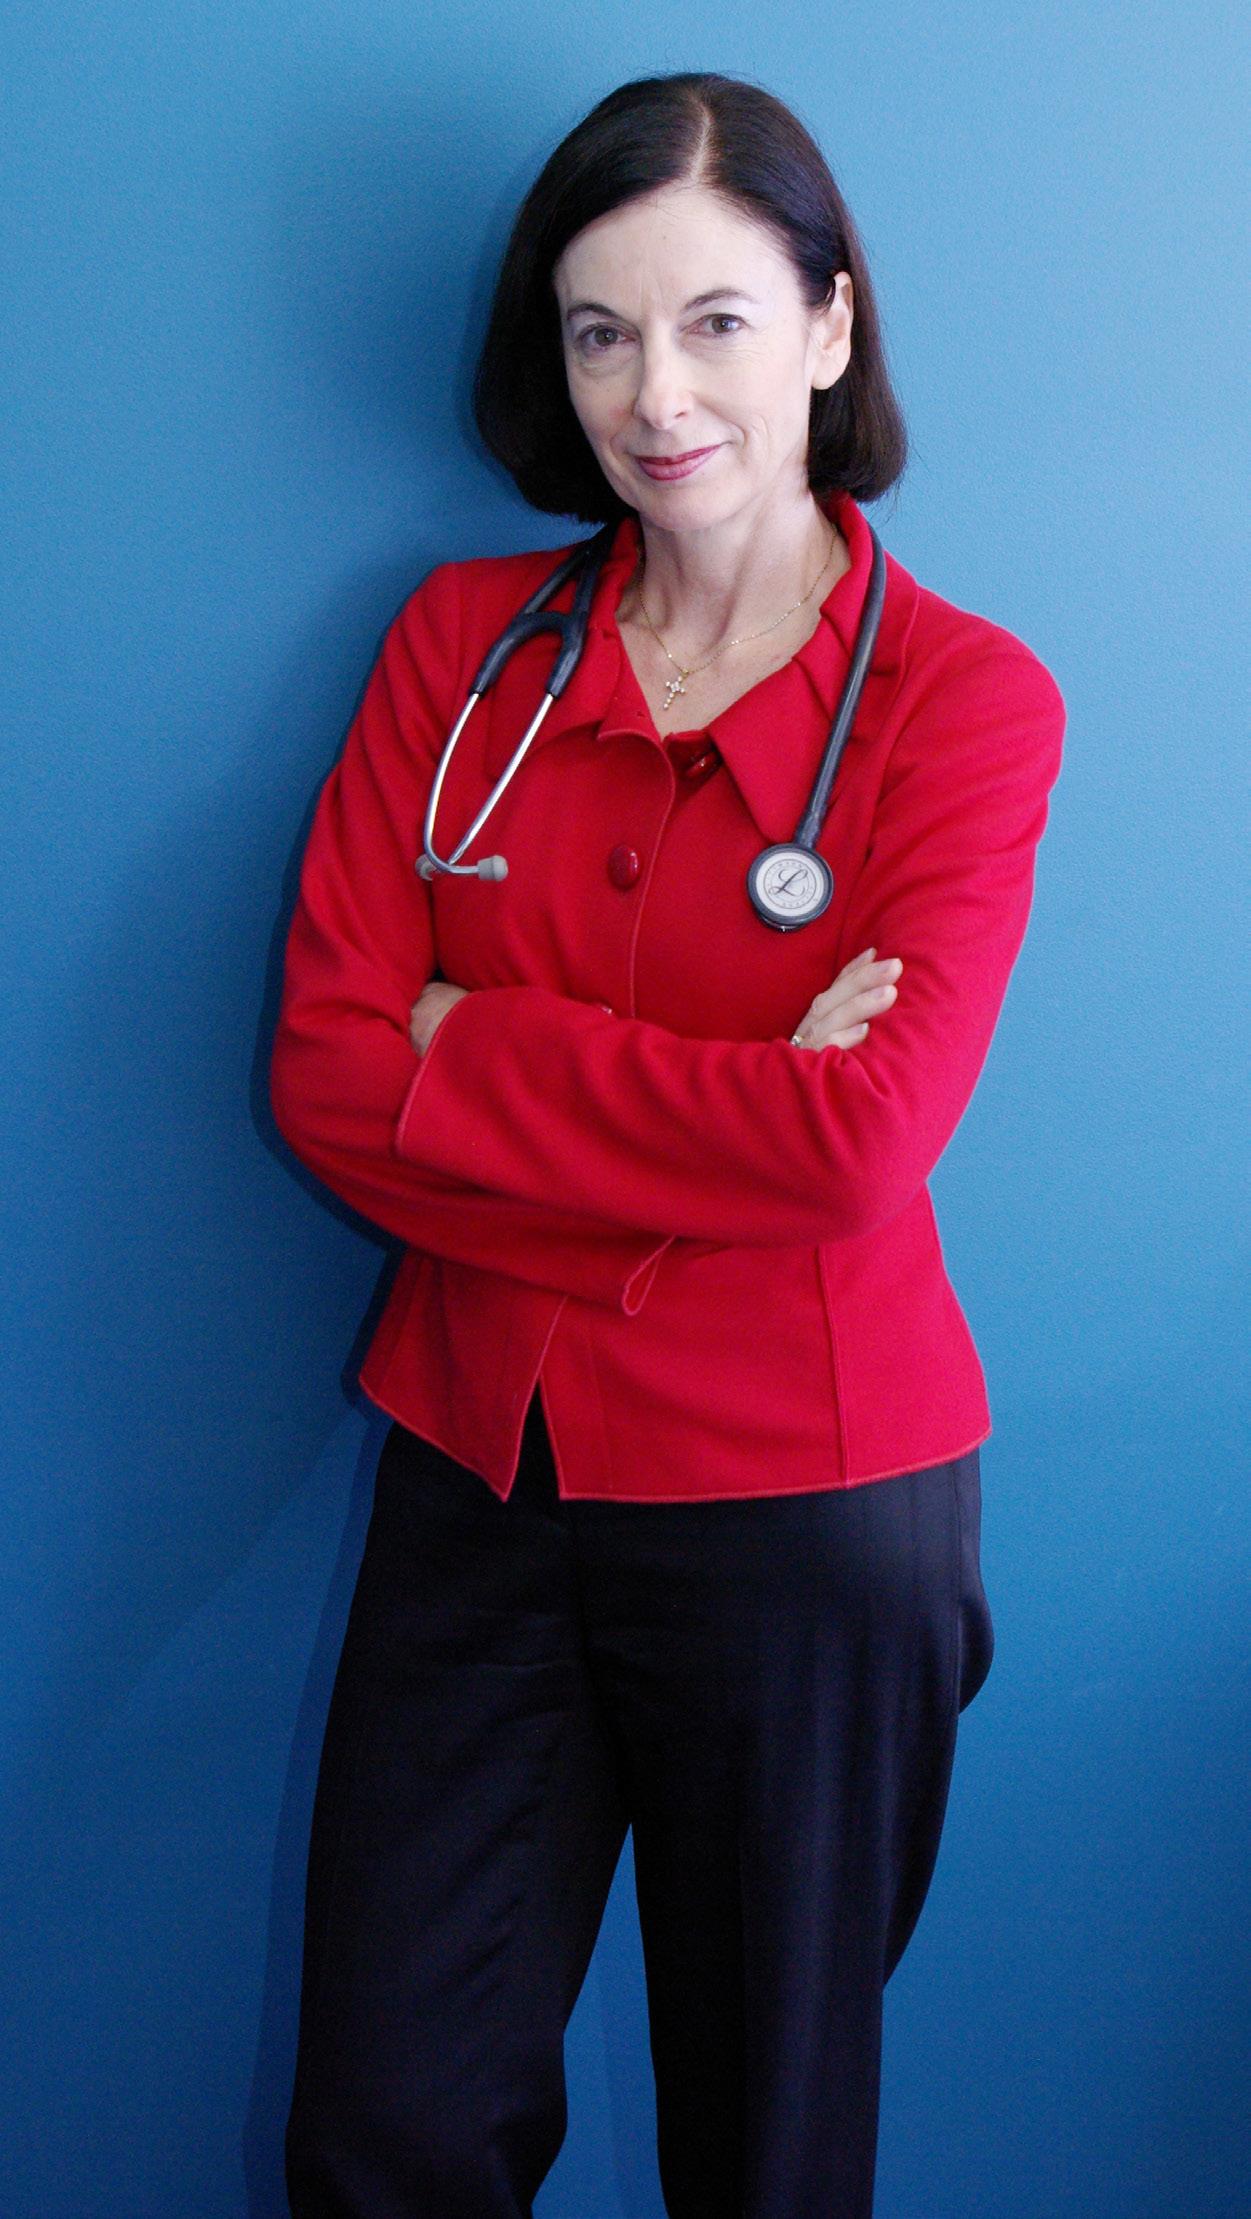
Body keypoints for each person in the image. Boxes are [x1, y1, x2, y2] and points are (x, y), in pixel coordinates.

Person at [271, 69, 1066, 2219]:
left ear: (828, 325)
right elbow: (325, 1071)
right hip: (478, 1475)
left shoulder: (962, 703)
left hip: (813, 1514)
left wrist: (470, 1040)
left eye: (714, 321)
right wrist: (718, 1118)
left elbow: (860, 1142)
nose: (654, 395)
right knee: (386, 2128)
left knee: (765, 2149)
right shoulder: (463, 655)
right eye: (598, 332)